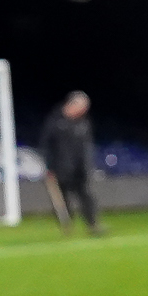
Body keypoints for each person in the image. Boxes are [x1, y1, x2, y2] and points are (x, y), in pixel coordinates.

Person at [39, 89, 104, 235]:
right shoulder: (55, 121)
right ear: (72, 105)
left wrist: (87, 165)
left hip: (80, 168)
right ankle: (66, 227)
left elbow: (86, 146)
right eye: (81, 107)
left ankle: (93, 225)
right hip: (60, 168)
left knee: (86, 196)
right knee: (62, 199)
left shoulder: (84, 123)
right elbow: (46, 145)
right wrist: (49, 167)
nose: (83, 111)